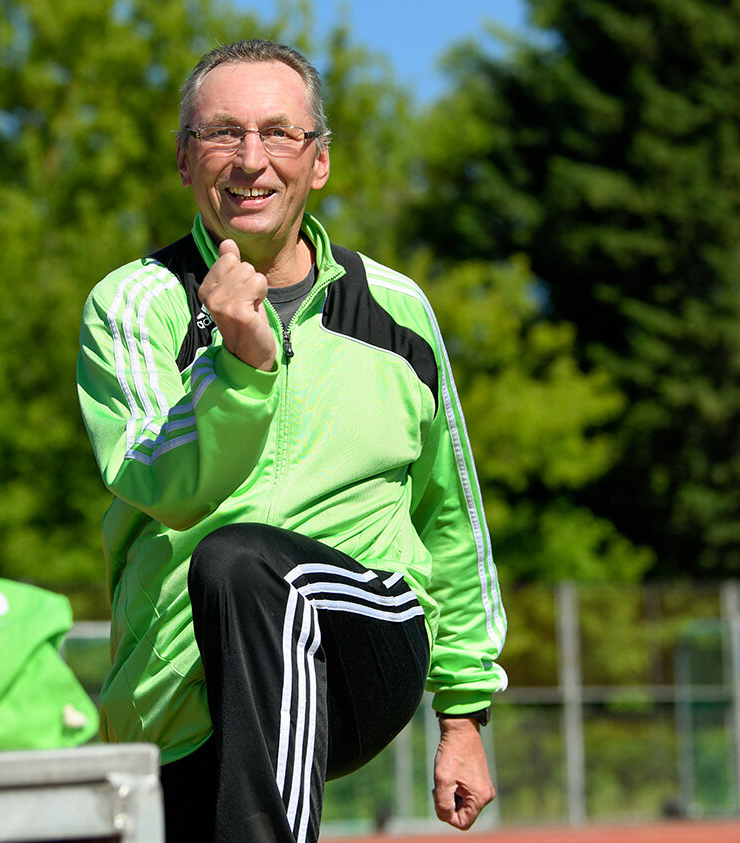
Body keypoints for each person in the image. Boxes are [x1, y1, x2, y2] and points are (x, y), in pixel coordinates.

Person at [75, 38, 507, 843]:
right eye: (222, 133)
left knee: (242, 562)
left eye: (279, 133)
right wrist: (239, 369)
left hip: (362, 641)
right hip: (183, 688)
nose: (251, 159)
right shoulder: (135, 304)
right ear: (183, 159)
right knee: (230, 574)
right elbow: (159, 482)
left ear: (320, 161)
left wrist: (463, 711)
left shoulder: (397, 310)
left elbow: (450, 514)